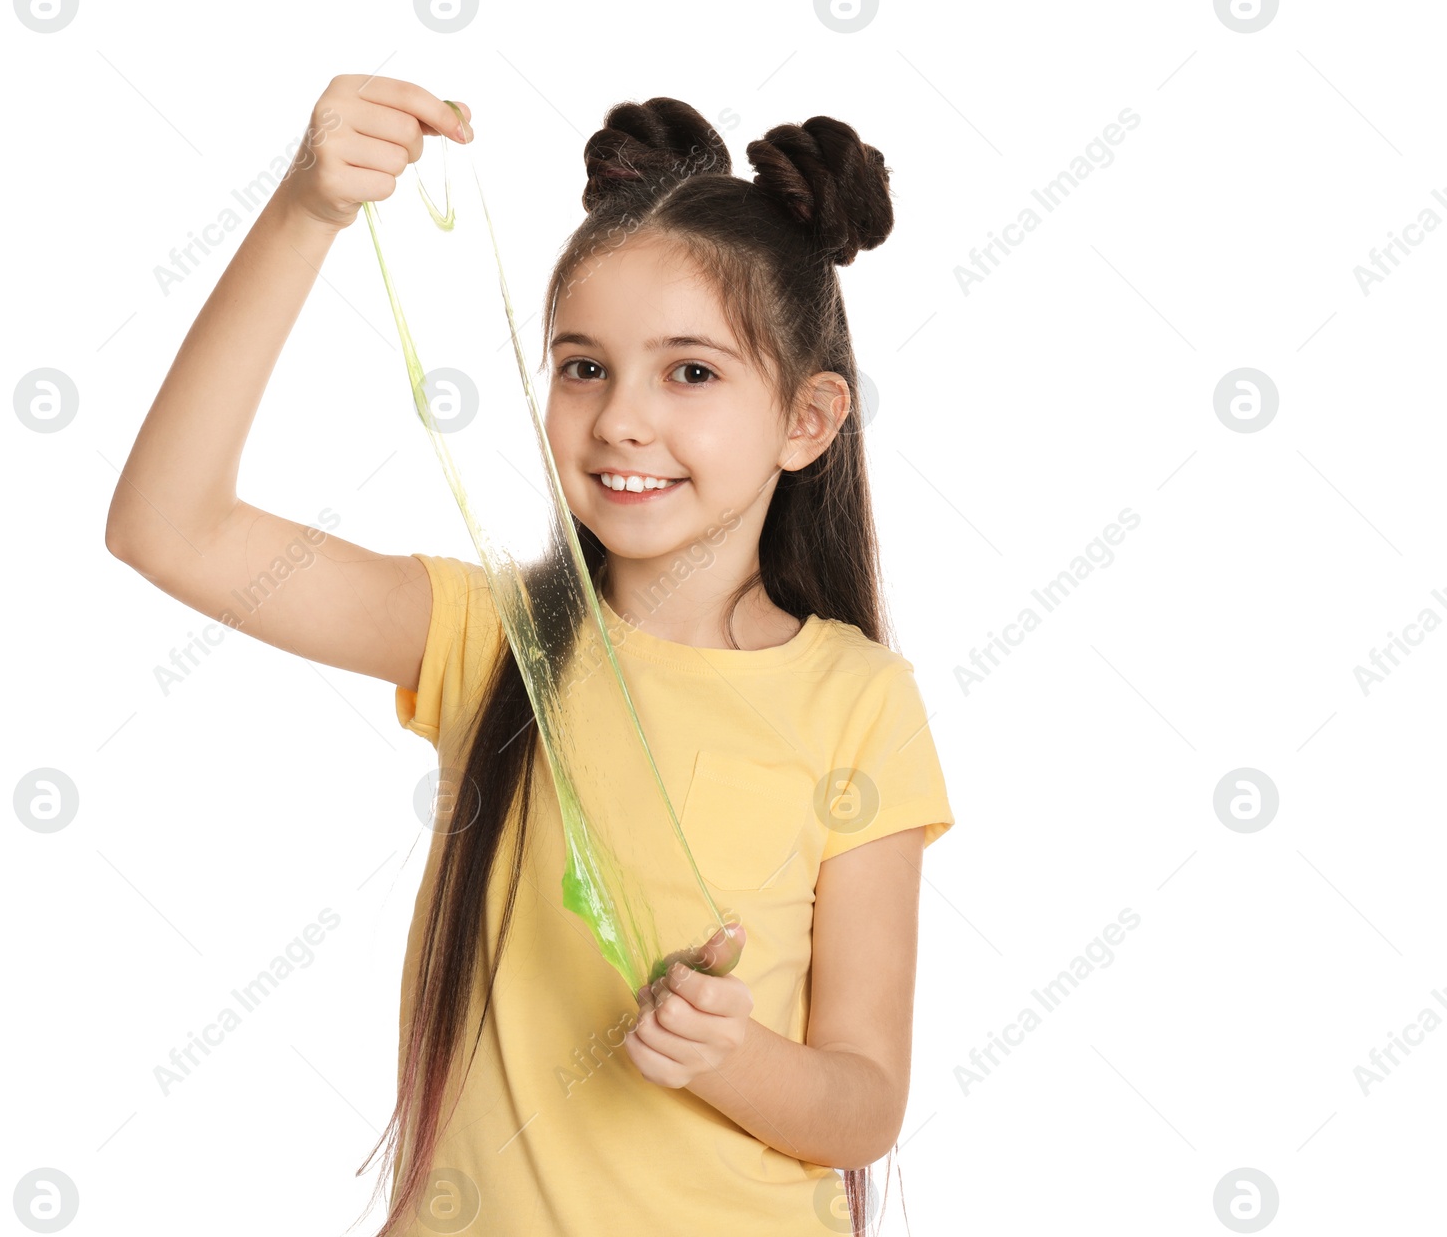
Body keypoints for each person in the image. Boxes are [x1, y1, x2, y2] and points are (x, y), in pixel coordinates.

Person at [105, 74, 955, 1237]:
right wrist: (306, 213)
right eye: (582, 365)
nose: (620, 420)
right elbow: (170, 527)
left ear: (806, 420)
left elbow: (862, 1105)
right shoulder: (488, 639)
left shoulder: (858, 701)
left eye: (691, 372)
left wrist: (731, 1055)